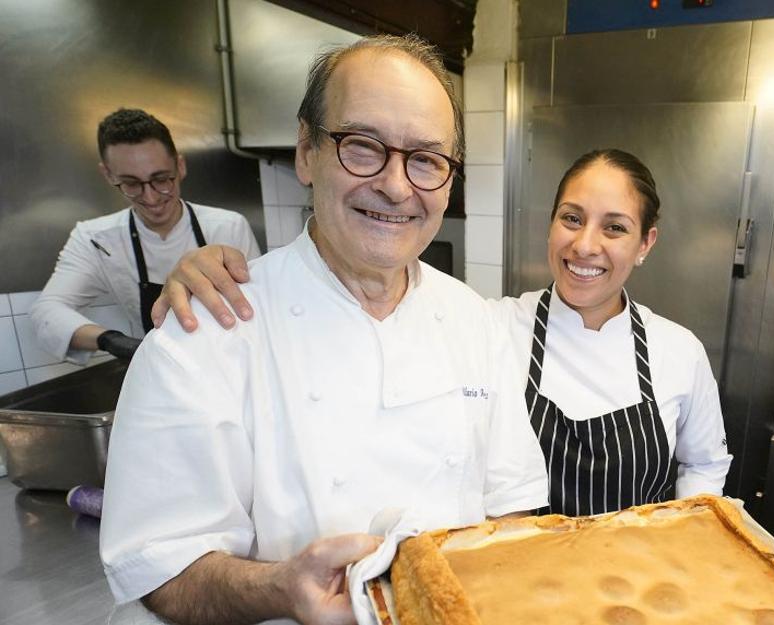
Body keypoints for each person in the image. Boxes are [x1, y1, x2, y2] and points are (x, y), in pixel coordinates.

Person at [99, 35, 548, 625]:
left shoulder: (475, 322)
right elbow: (159, 568)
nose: (396, 185)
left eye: (426, 159)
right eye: (363, 146)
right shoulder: (207, 328)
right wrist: (281, 588)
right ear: (307, 151)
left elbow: (513, 511)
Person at [156, 149, 732, 518]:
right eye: (572, 218)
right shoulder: (489, 324)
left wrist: (675, 541)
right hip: (518, 584)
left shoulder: (678, 351)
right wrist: (212, 269)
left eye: (615, 228)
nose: (585, 246)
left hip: (639, 586)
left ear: (646, 244)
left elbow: (704, 466)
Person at [29, 108, 260, 362]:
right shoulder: (95, 239)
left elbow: (259, 308)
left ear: (180, 167)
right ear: (108, 175)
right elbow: (47, 311)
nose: (150, 197)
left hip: (227, 363)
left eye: (161, 179)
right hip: (154, 365)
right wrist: (113, 341)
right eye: (131, 183)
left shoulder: (228, 227)